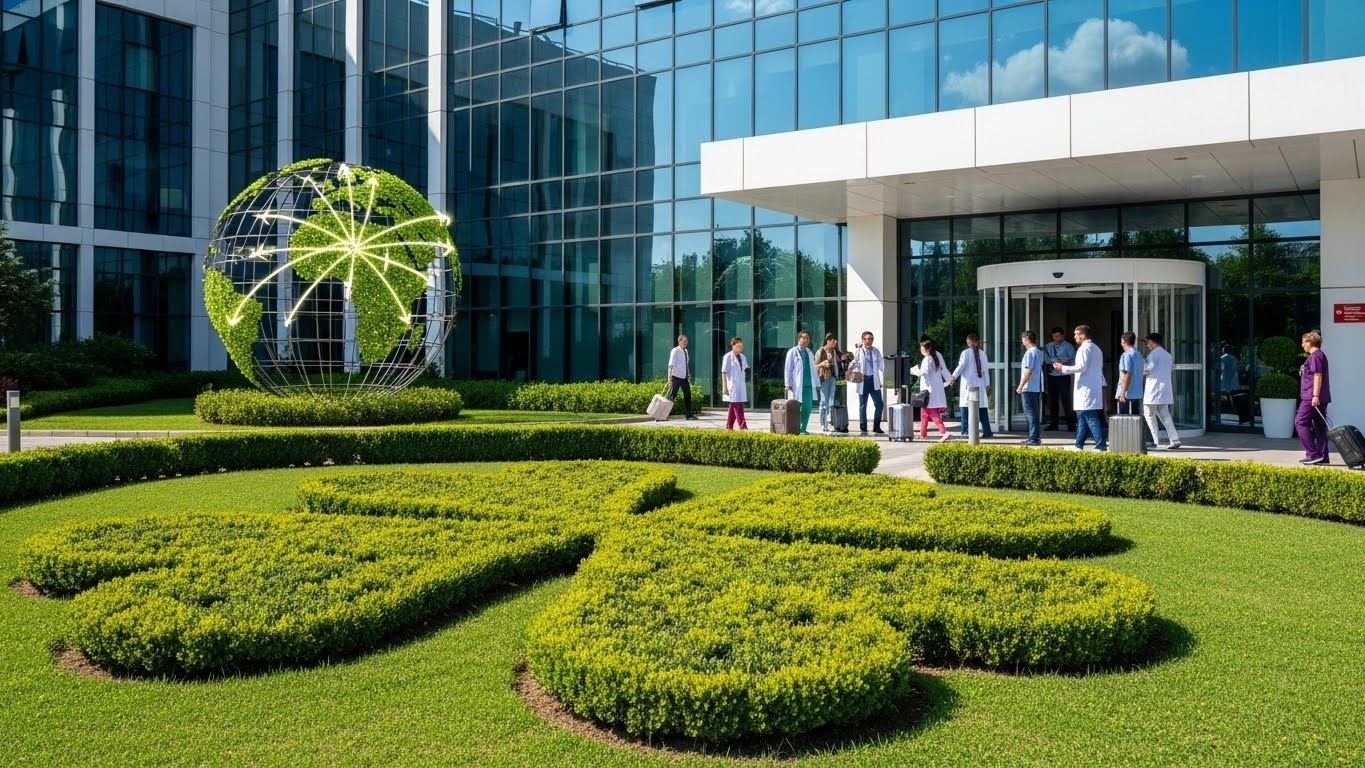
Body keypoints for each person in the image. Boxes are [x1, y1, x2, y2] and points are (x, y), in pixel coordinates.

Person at [1055, 325, 1107, 451]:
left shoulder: (1084, 349)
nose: (1074, 337)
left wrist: (1063, 368)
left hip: (1086, 389)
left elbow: (1081, 367)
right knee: (1082, 417)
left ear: (1082, 335)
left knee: (1090, 416)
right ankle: (1079, 444)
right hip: (1092, 387)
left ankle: (1101, 445)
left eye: (1075, 334)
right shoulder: (1096, 348)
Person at [1295, 330, 1331, 465]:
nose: (1302, 345)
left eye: (1304, 342)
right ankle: (1323, 456)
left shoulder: (1316, 356)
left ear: (1311, 342)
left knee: (1300, 422)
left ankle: (1312, 454)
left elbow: (1318, 375)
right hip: (1318, 396)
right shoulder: (1318, 355)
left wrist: (1315, 395)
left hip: (1311, 396)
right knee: (1320, 426)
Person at [1141, 332, 1181, 450]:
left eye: (1148, 343)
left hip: (1153, 390)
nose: (1147, 345)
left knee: (1149, 415)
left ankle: (1154, 440)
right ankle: (1174, 439)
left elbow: (1146, 371)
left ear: (1152, 342)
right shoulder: (1168, 355)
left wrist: (1139, 371)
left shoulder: (1153, 355)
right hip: (1165, 390)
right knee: (1165, 415)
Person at [950, 333, 993, 438]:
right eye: (968, 343)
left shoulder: (976, 354)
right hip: (975, 384)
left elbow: (984, 370)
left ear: (976, 342)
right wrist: (954, 376)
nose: (970, 344)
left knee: (968, 409)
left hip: (972, 385)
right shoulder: (972, 353)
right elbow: (962, 367)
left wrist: (953, 377)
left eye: (970, 342)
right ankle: (986, 432)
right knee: (978, 408)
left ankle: (966, 431)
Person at [910, 338, 952, 441]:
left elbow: (924, 374)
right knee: (924, 412)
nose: (921, 350)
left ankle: (944, 432)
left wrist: (913, 371)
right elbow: (944, 369)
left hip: (928, 390)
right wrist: (949, 379)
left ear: (927, 348)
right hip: (937, 388)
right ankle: (923, 434)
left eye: (922, 348)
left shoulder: (927, 359)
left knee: (931, 411)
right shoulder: (938, 354)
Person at [784, 330, 820, 435]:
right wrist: (788, 384)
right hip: (797, 385)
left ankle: (803, 428)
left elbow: (813, 369)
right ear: (798, 339)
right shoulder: (792, 352)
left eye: (807, 338)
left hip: (808, 385)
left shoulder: (809, 352)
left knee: (807, 407)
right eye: (803, 337)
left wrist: (817, 383)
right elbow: (788, 369)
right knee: (796, 408)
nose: (805, 340)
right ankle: (795, 428)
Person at [1044, 327, 1077, 432]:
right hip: (1051, 376)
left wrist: (1062, 362)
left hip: (1063, 376)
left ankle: (1071, 425)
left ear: (1062, 336)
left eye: (1058, 336)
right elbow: (1045, 359)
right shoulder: (1048, 346)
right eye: (1054, 336)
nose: (1056, 338)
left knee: (1066, 400)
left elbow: (1074, 359)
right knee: (1053, 401)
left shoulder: (1068, 346)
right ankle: (1054, 424)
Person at [853, 331, 886, 435]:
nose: (869, 341)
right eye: (866, 339)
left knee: (879, 404)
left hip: (873, 380)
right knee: (863, 405)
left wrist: (883, 380)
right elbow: (854, 364)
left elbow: (882, 366)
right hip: (863, 380)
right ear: (863, 340)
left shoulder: (876, 351)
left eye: (871, 339)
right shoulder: (858, 351)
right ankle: (863, 427)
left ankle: (876, 426)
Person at [1015, 329, 1044, 446]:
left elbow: (1028, 370)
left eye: (1023, 340)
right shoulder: (1039, 352)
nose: (1023, 343)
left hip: (1028, 387)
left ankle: (1033, 438)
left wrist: (1021, 385)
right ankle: (1035, 437)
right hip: (1036, 387)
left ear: (1027, 339)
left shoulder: (1029, 353)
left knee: (1030, 414)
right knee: (1034, 413)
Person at [814, 333, 844, 433]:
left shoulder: (835, 352)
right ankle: (823, 423)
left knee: (831, 402)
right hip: (823, 379)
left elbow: (840, 363)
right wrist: (823, 364)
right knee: (823, 401)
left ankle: (830, 422)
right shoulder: (820, 351)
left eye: (835, 340)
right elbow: (814, 366)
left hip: (832, 378)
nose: (833, 342)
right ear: (827, 340)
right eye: (831, 340)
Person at [720, 336, 749, 431]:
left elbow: (745, 368)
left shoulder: (743, 357)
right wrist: (724, 387)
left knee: (734, 405)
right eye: (738, 344)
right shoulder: (728, 356)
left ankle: (729, 426)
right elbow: (723, 372)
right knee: (738, 405)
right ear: (733, 345)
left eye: (741, 344)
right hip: (732, 385)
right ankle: (743, 426)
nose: (740, 345)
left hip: (740, 384)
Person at [665, 334, 697, 420]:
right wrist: (669, 378)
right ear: (679, 341)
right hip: (675, 377)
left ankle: (689, 415)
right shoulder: (675, 351)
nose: (685, 343)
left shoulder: (686, 351)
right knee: (671, 396)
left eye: (686, 341)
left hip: (684, 378)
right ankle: (662, 415)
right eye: (684, 341)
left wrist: (688, 376)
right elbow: (670, 365)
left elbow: (686, 365)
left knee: (688, 395)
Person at [1116, 332, 1145, 417]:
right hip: (1137, 393)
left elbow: (1127, 374)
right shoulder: (1138, 354)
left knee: (1125, 422)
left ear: (1123, 341)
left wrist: (1122, 394)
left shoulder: (1126, 355)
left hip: (1127, 395)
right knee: (1135, 422)